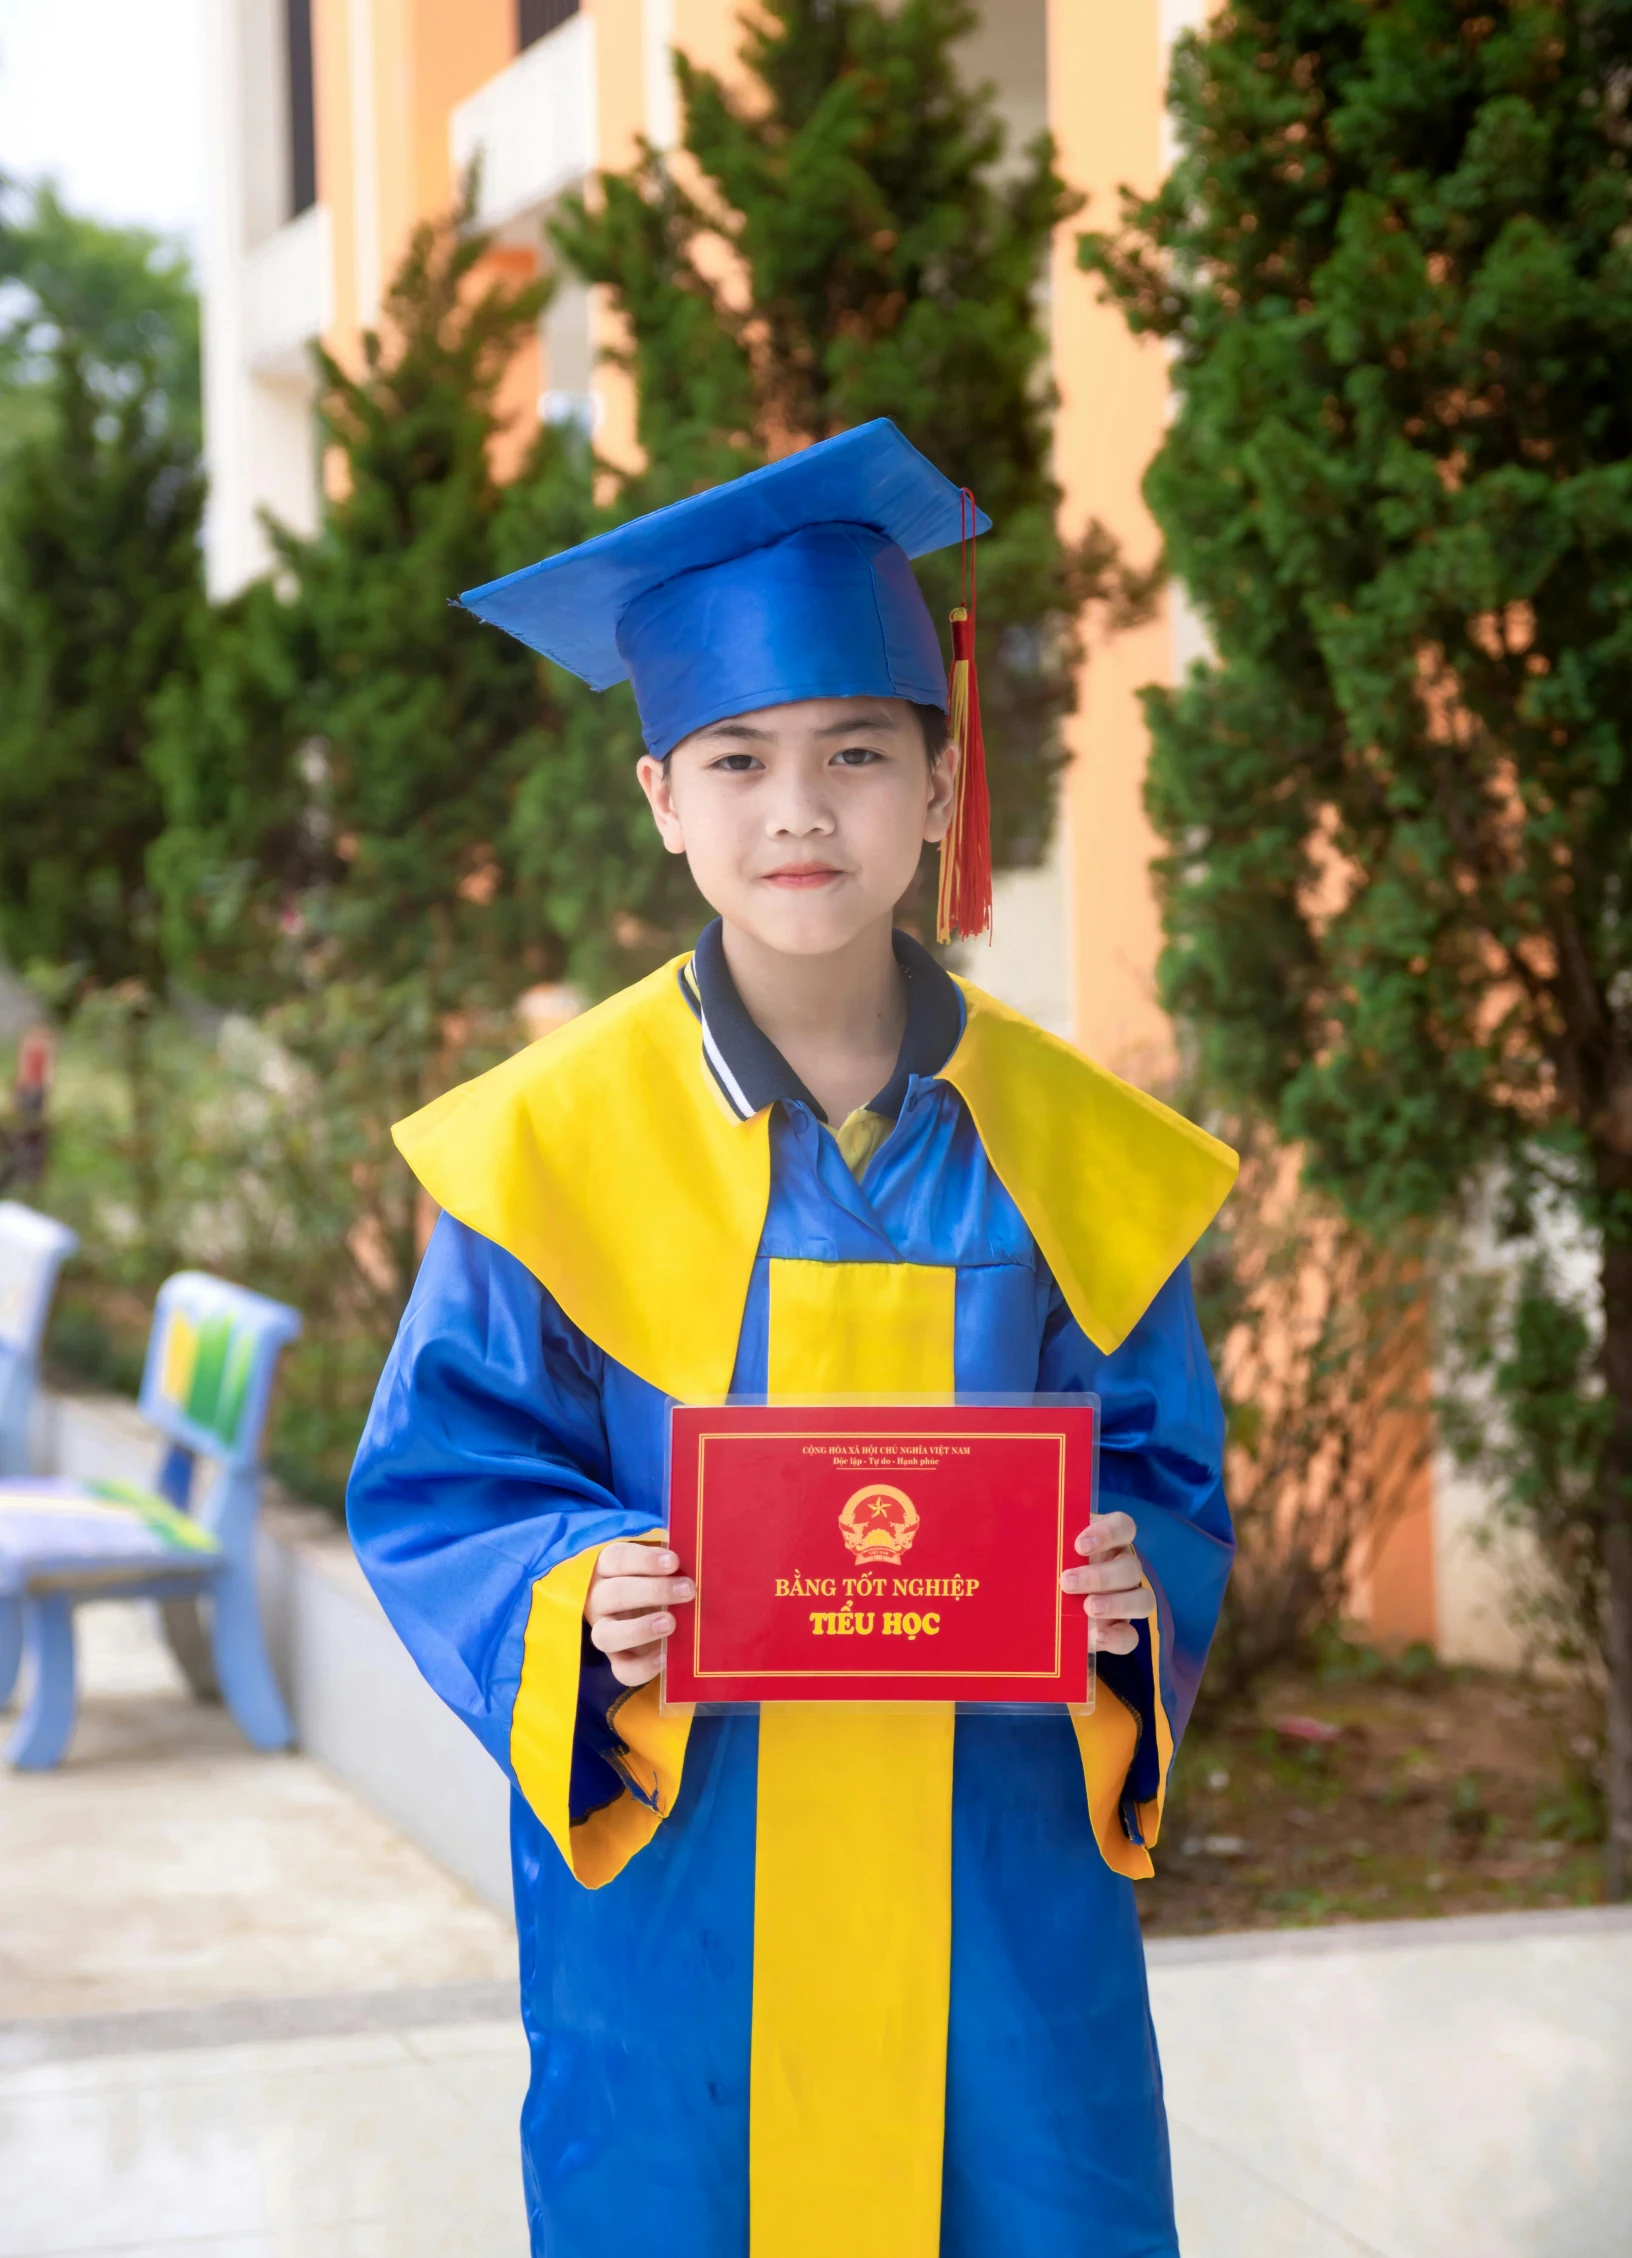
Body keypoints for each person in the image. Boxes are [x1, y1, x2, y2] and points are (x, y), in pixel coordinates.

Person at [347, 420, 1237, 2258]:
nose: (799, 812)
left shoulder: (1077, 1154)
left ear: (941, 777)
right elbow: (447, 1476)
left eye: (855, 752)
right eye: (738, 761)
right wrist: (576, 1588)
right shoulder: (549, 1147)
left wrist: (1136, 1586)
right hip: (691, 1889)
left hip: (994, 1879)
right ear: (664, 795)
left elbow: (1160, 1467)